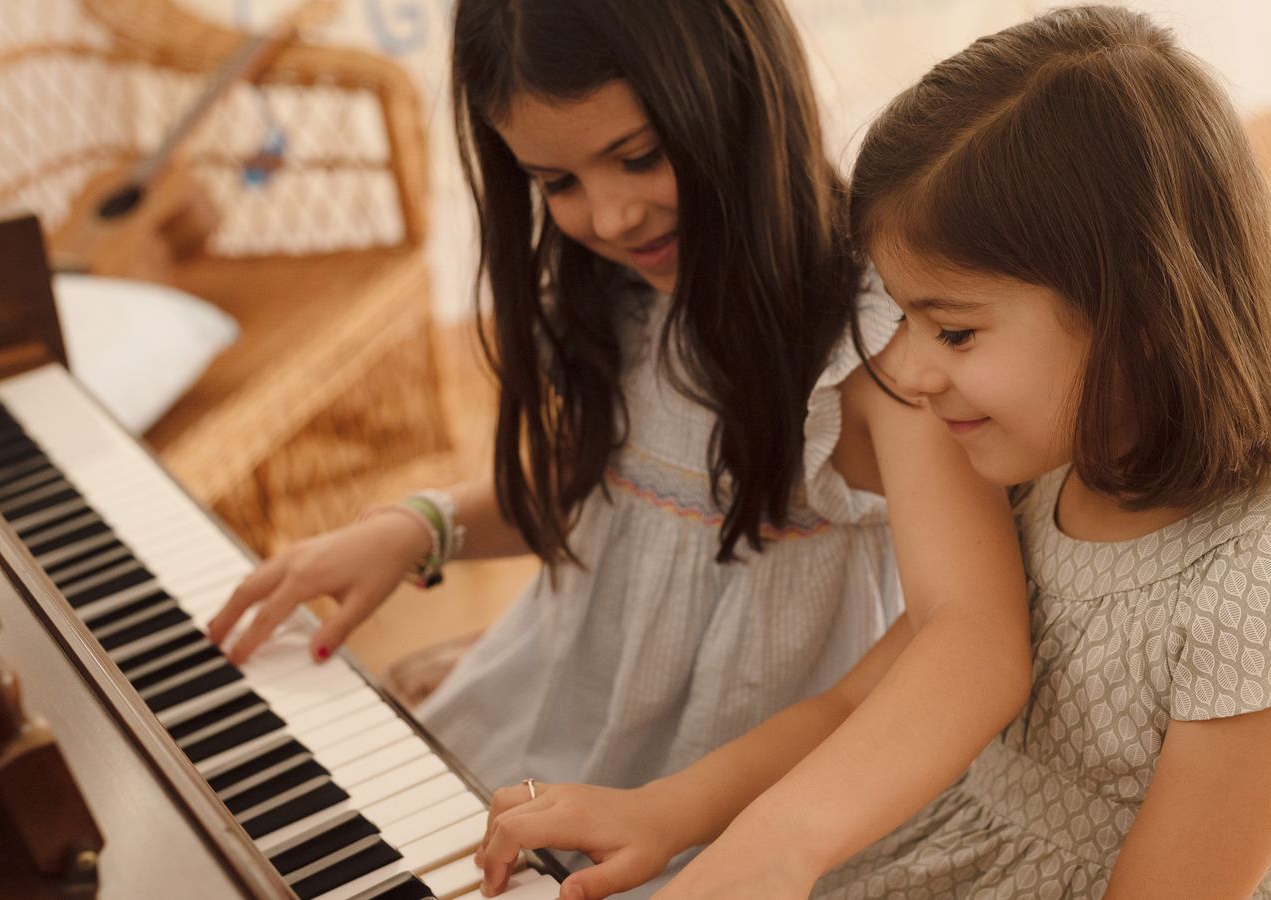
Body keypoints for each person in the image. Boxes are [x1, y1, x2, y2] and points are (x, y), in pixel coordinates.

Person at [475, 7, 1271, 898]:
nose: (902, 372)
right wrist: (667, 812)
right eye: (900, 319)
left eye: (950, 333)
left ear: (1141, 319)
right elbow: (850, 706)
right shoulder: (1042, 491)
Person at [208, 0, 1031, 893]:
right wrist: (422, 525)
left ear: (741, 98)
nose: (606, 216)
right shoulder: (629, 287)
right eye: (554, 182)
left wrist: (688, 814)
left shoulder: (879, 353)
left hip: (738, 796)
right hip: (561, 718)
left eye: (638, 156)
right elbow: (615, 485)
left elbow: (967, 631)